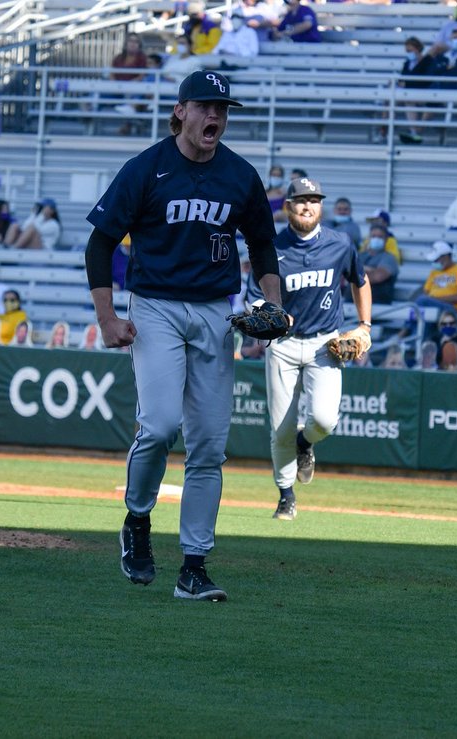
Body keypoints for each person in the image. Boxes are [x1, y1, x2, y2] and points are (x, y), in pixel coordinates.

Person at [84, 70, 287, 603]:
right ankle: (137, 518)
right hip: (155, 306)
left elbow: (263, 245)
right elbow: (100, 244)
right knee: (159, 426)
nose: (214, 115)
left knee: (209, 445)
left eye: (222, 109)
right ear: (180, 111)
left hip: (217, 311)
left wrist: (273, 305)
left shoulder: (239, 175)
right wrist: (107, 318)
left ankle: (194, 566)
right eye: (203, 106)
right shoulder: (147, 168)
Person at [254, 177, 371, 521]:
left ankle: (306, 443)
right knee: (281, 428)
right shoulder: (272, 246)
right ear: (288, 206)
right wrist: (270, 314)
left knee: (324, 420)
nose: (308, 205)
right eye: (302, 200)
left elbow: (360, 281)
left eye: (314, 200)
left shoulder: (340, 243)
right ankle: (285, 494)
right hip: (283, 344)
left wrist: (365, 325)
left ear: (321, 206)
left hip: (325, 343)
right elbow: (254, 295)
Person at [415, 241, 457, 319]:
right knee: (420, 305)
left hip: (452, 308)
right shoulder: (434, 272)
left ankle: (409, 326)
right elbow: (426, 292)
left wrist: (437, 300)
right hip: (432, 305)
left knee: (422, 302)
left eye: (436, 260)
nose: (434, 262)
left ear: (446, 257)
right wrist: (433, 300)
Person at [398, 36, 440, 145]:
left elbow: (425, 80)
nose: (409, 53)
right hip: (411, 93)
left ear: (417, 49)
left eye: (410, 50)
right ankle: (413, 132)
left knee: (429, 105)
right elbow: (401, 79)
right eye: (407, 51)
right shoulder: (407, 63)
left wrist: (407, 83)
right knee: (394, 102)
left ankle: (417, 132)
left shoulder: (428, 61)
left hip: (426, 93)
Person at [359, 230, 399, 305]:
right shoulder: (360, 256)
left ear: (386, 240)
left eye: (380, 237)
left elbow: (378, 277)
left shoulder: (389, 258)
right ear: (369, 238)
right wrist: (369, 270)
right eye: (373, 236)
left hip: (377, 304)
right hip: (353, 301)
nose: (376, 239)